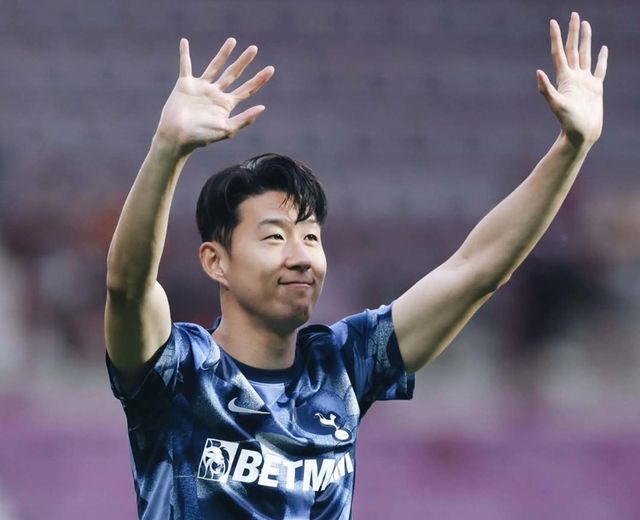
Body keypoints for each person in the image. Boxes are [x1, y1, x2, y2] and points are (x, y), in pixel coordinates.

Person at [105, 12, 607, 519]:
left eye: (311, 237)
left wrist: (571, 148)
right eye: (275, 237)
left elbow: (475, 271)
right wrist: (167, 150)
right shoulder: (178, 371)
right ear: (216, 262)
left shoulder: (342, 366)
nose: (300, 256)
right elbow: (127, 287)